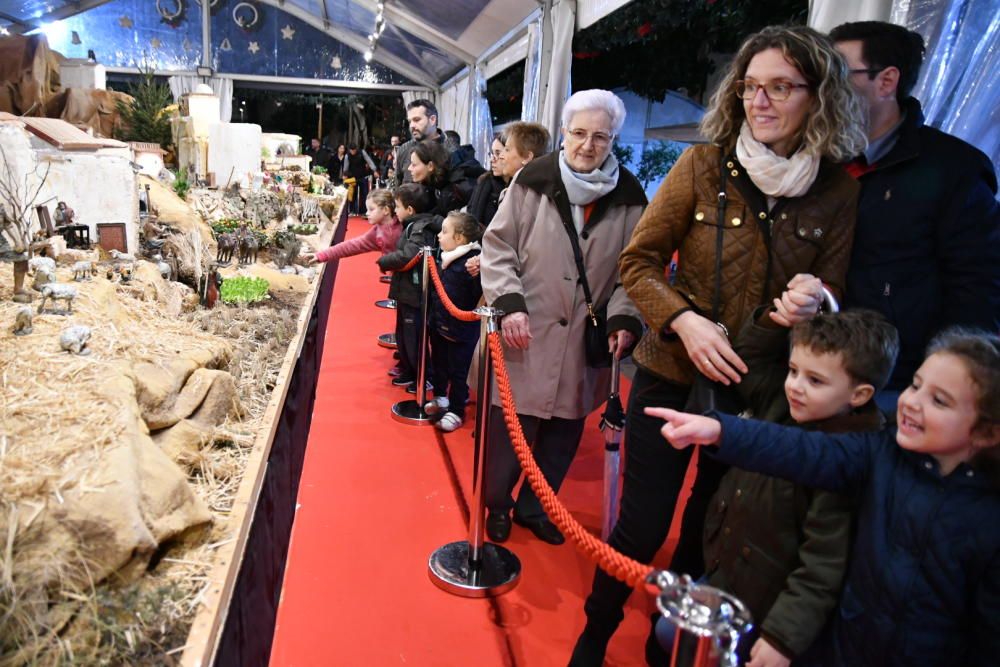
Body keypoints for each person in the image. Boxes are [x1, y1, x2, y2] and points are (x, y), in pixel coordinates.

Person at [571, 25, 867, 666]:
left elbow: (836, 292)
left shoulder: (839, 190)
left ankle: (670, 643)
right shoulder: (703, 165)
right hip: (671, 369)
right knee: (641, 523)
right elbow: (639, 263)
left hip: (763, 387)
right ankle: (593, 636)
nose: (760, 101)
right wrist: (684, 321)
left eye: (780, 87)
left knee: (715, 527)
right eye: (752, 86)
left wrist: (816, 302)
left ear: (817, 97)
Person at [648, 328, 1000, 667]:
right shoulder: (881, 454)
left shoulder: (986, 520)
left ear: (987, 432)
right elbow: (801, 449)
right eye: (916, 385)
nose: (911, 403)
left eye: (939, 401)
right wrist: (722, 430)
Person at [655, 310, 898, 667]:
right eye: (793, 371)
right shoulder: (787, 403)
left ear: (859, 394)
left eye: (815, 380)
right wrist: (773, 316)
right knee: (669, 634)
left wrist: (782, 639)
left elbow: (820, 570)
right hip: (733, 576)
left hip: (771, 610)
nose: (795, 386)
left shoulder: (844, 466)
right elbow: (746, 358)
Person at [479, 89, 647, 546]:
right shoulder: (532, 180)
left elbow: (635, 269)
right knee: (511, 430)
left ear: (613, 140)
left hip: (582, 338)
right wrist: (508, 303)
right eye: (578, 133)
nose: (587, 146)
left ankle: (538, 507)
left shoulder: (631, 197)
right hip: (524, 329)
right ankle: (497, 504)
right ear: (564, 134)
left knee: (562, 434)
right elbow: (498, 247)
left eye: (600, 137)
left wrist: (625, 318)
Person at [827, 21, 1000, 413]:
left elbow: (977, 291)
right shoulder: (818, 162)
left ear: (886, 81)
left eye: (836, 73)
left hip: (897, 386)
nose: (823, 87)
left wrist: (938, 387)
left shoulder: (954, 168)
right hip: (814, 371)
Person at [377, 183, 441, 394]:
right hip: (406, 291)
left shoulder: (420, 229)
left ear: (410, 209)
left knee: (414, 337)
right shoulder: (412, 227)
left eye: (397, 206)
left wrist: (385, 261)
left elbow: (409, 255)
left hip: (415, 292)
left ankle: (423, 375)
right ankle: (408, 368)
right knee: (403, 334)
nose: (395, 210)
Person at [424, 211, 484, 433]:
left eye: (445, 232)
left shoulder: (472, 262)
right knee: (439, 363)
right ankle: (440, 396)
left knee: (460, 372)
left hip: (462, 328)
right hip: (440, 323)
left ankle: (457, 409)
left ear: (460, 238)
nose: (439, 236)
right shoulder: (447, 256)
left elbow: (477, 294)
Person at [466, 122, 550, 277]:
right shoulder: (513, 190)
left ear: (527, 157)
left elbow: (526, 249)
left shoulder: (539, 195)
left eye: (506, 149)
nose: (501, 156)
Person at [304, 188, 401, 265]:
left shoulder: (402, 227)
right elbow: (352, 245)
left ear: (386, 210)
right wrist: (322, 255)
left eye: (371, 209)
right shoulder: (377, 231)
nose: (367, 213)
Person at [398, 99, 445, 183]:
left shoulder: (450, 149)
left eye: (417, 120)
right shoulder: (404, 149)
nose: (412, 125)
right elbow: (398, 186)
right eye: (410, 121)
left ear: (432, 119)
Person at [466, 133, 507, 228]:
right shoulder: (484, 181)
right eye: (492, 153)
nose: (492, 159)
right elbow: (472, 218)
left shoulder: (517, 187)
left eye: (498, 153)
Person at [345, 144, 369, 215]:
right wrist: (345, 175)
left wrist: (375, 170)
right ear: (349, 150)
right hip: (352, 178)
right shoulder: (347, 156)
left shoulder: (362, 152)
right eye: (351, 150)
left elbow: (369, 161)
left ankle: (364, 211)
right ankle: (352, 210)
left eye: (354, 150)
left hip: (362, 176)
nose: (353, 152)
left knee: (365, 194)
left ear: (356, 149)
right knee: (352, 195)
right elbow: (346, 167)